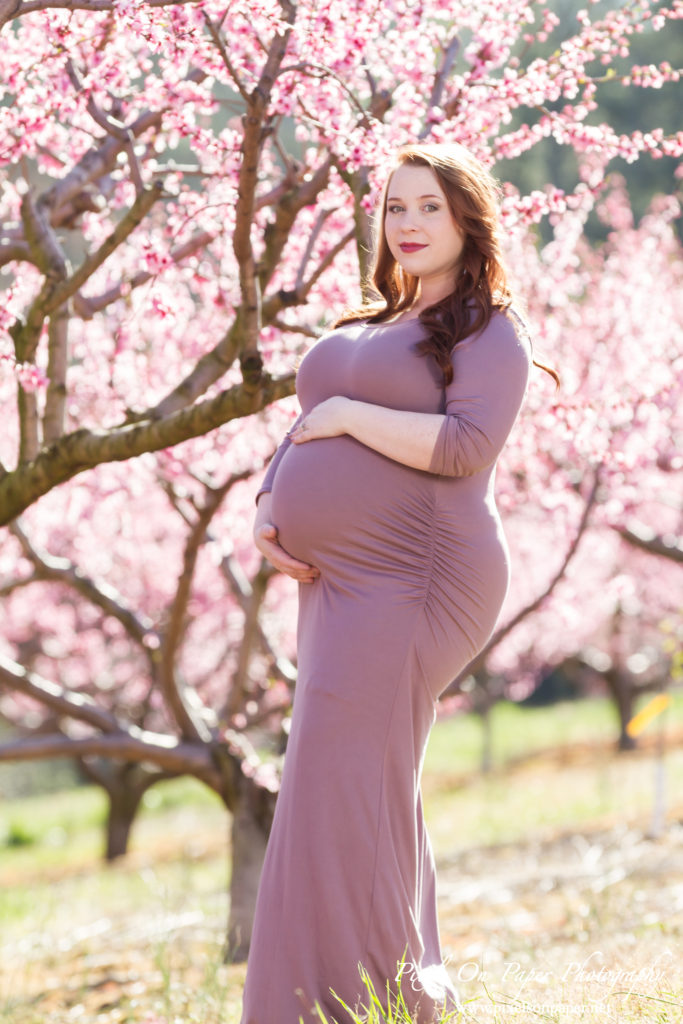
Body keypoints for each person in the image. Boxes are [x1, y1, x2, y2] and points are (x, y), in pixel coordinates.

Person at [240, 143, 557, 1024]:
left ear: (465, 219)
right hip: (337, 581)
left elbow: (463, 449)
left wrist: (343, 415)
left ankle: (372, 1005)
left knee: (341, 780)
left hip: (419, 575)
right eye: (395, 209)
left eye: (428, 208)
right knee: (348, 778)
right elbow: (306, 423)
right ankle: (375, 994)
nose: (408, 225)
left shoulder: (490, 329)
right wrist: (270, 500)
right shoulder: (373, 321)